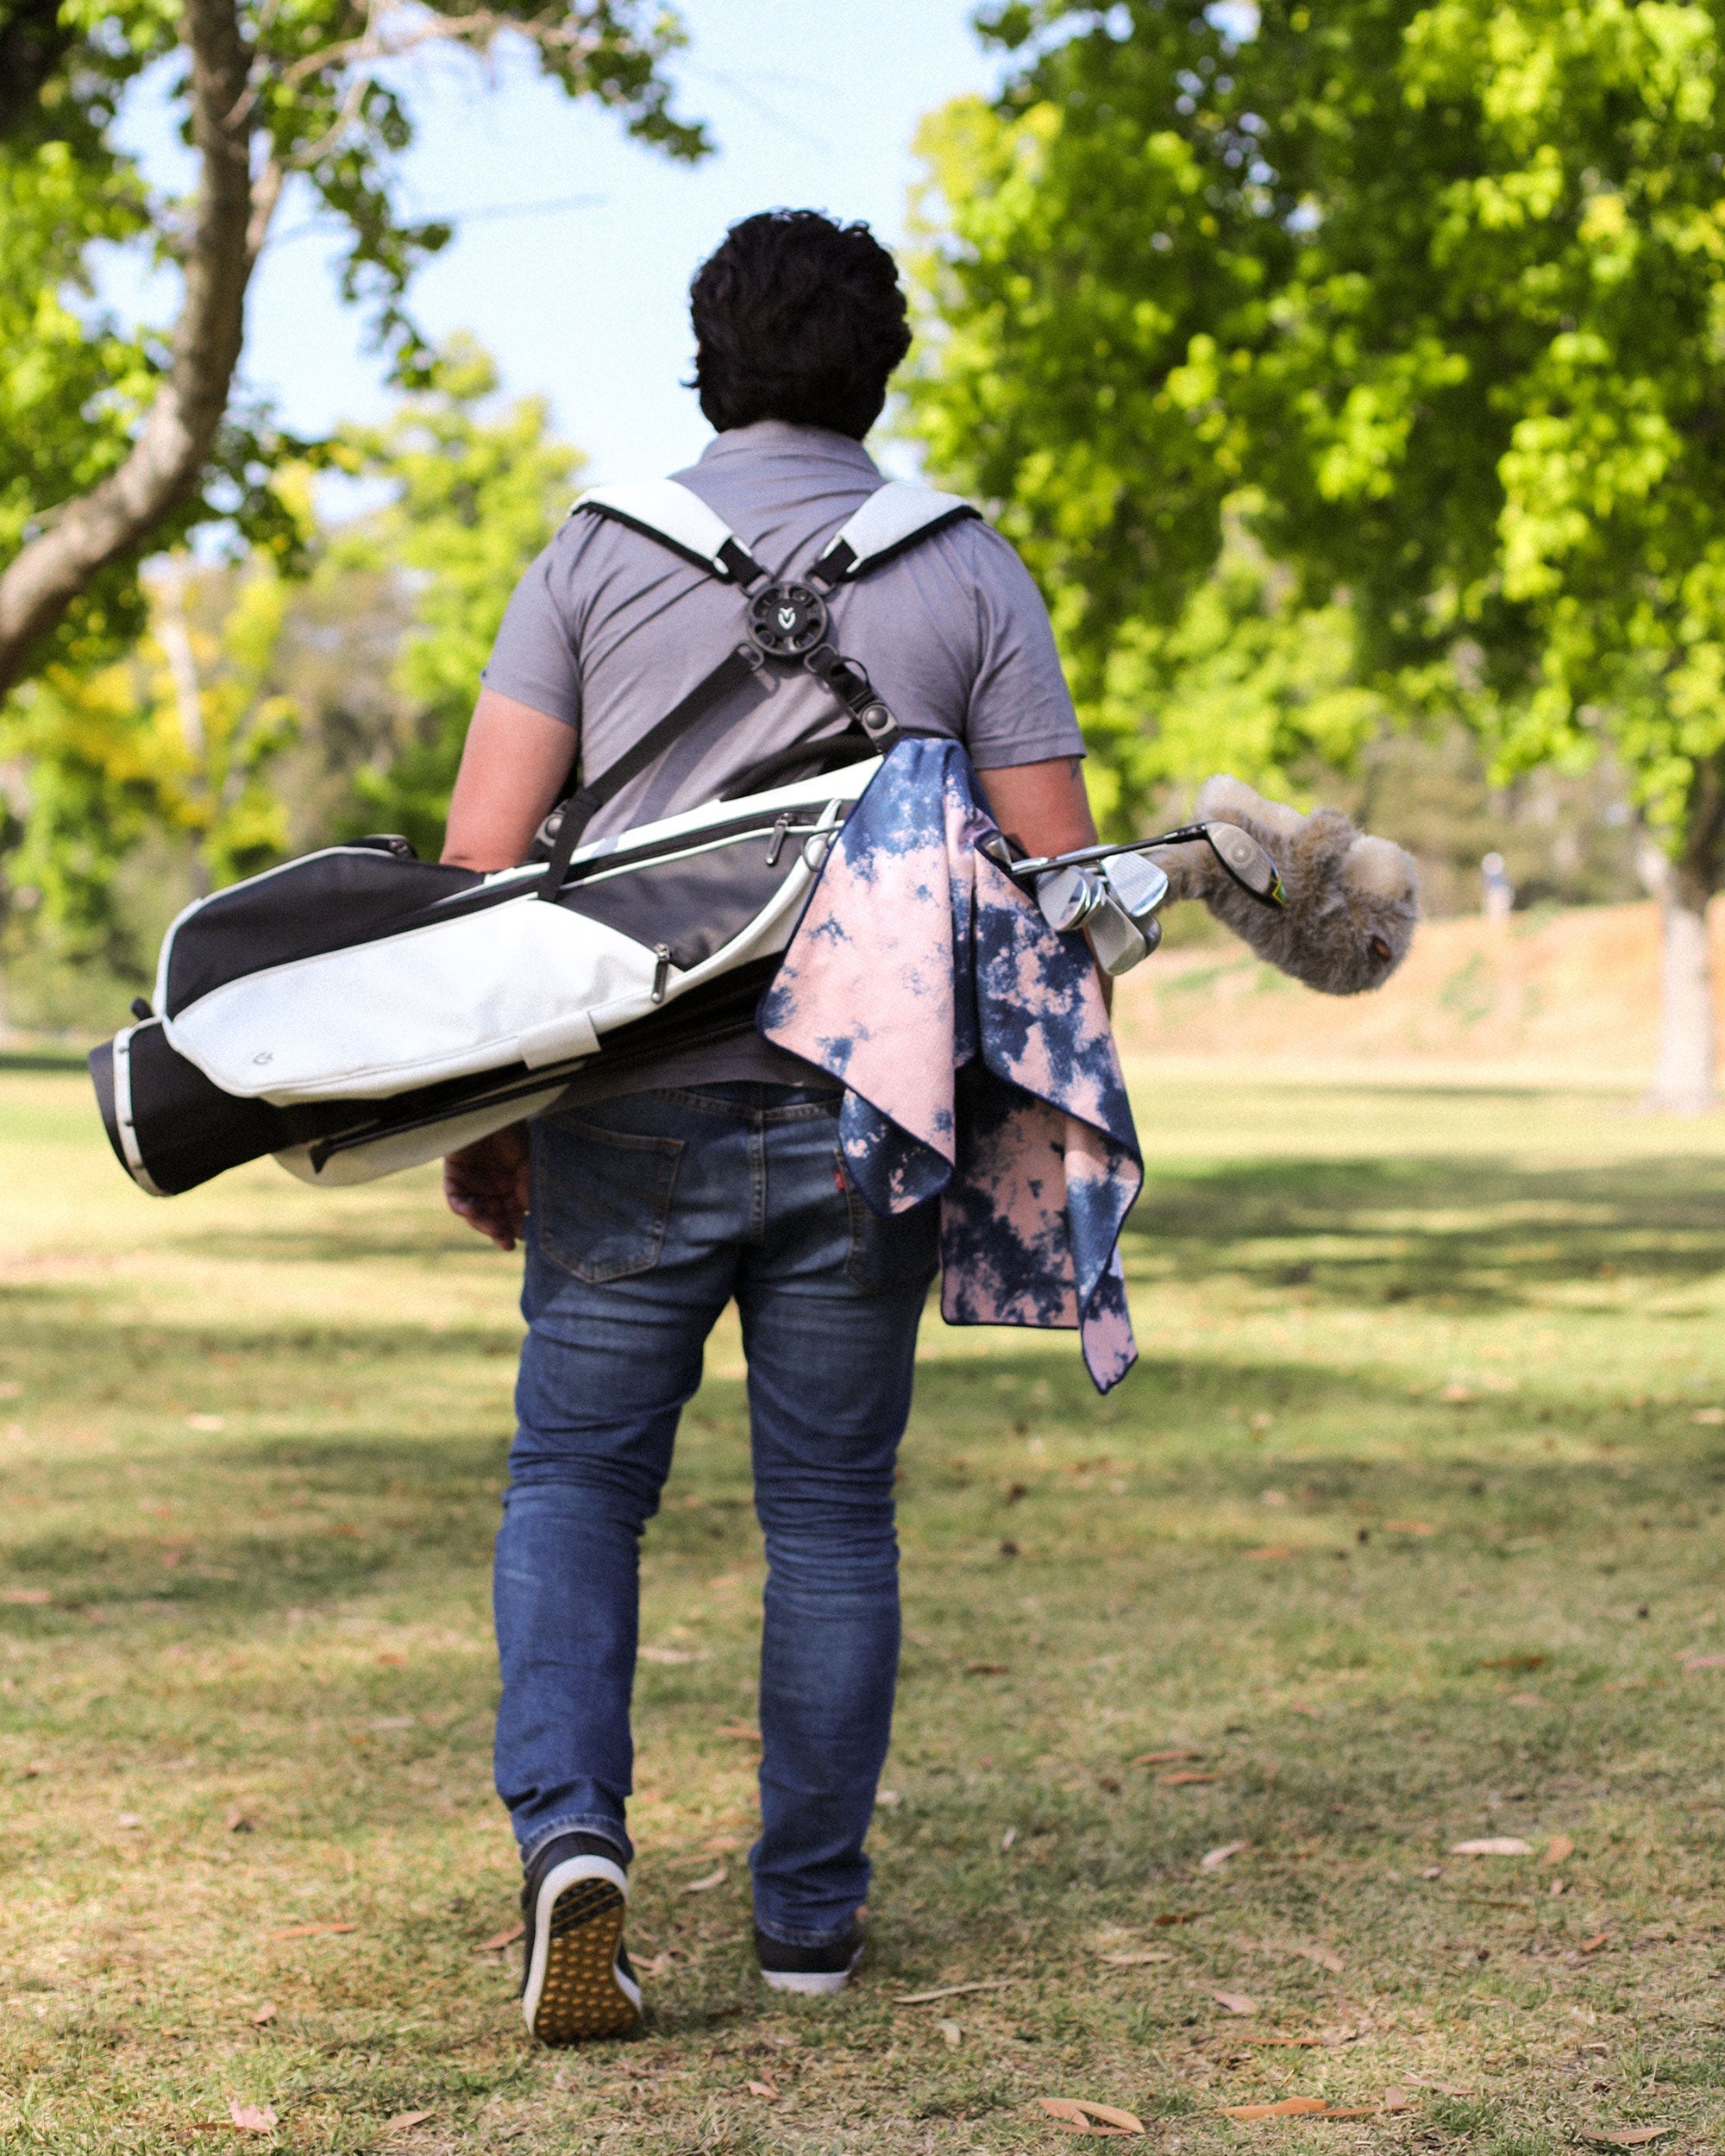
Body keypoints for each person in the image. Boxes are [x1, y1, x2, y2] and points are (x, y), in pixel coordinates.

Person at [439, 208, 1101, 2045]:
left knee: (575, 1484)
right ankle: (807, 1923)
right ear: (879, 368)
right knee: (828, 1519)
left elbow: (479, 868)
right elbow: (1058, 883)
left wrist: (485, 1115)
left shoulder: (591, 554)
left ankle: (574, 1841)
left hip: (624, 1105)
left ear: (705, 360)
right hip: (861, 1113)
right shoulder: (970, 571)